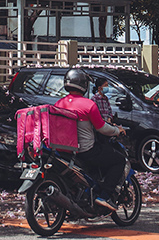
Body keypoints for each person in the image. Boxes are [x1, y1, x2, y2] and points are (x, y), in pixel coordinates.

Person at [53, 67, 127, 203]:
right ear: (84, 85)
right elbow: (102, 128)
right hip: (86, 151)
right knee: (119, 160)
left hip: (65, 151)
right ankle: (105, 196)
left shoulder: (59, 103)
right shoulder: (89, 105)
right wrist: (117, 131)